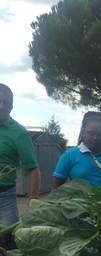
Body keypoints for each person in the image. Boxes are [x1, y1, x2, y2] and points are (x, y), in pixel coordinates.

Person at [0, 83, 40, 225]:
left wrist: (32, 201)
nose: (2, 106)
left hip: (5, 198)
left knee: (9, 240)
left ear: (12, 107)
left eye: (7, 103)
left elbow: (32, 168)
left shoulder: (20, 133)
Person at [53, 111, 101, 188]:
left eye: (100, 134)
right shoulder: (69, 155)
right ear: (83, 132)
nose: (95, 138)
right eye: (91, 133)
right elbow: (56, 187)